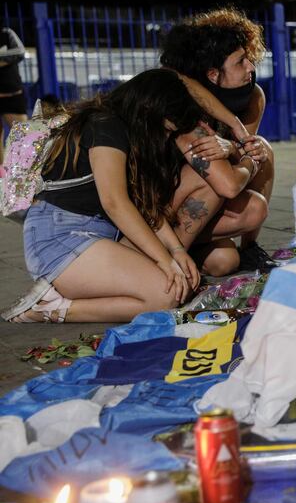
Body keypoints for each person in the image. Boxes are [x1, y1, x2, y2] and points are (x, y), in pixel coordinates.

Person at [1, 69, 209, 323]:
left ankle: (59, 299)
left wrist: (176, 251)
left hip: (94, 235)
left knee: (178, 284)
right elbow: (115, 203)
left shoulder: (122, 128)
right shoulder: (106, 125)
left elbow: (141, 205)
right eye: (165, 130)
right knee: (165, 296)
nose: (165, 139)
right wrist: (165, 260)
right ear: (147, 112)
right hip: (61, 238)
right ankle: (47, 308)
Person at [160, 9, 276, 274]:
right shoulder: (183, 101)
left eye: (249, 58)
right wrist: (236, 145)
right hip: (170, 201)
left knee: (226, 261)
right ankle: (169, 252)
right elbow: (228, 184)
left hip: (212, 190)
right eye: (241, 61)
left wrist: (234, 146)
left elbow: (246, 147)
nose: (251, 67)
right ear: (212, 74)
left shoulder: (252, 95)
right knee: (228, 192)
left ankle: (249, 248)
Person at [0, 27, 28, 174]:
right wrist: (5, 58)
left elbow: (19, 52)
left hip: (12, 94)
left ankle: (26, 175)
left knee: (25, 138)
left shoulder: (6, 33)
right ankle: (2, 179)